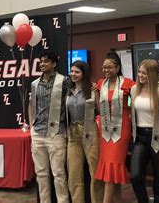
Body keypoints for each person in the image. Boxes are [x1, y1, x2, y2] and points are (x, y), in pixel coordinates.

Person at [29, 51, 70, 203]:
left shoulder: (64, 81)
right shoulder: (35, 84)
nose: (42, 64)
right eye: (41, 61)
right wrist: (32, 125)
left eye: (46, 61)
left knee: (59, 174)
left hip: (56, 134)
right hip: (38, 133)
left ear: (54, 64)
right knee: (41, 174)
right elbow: (31, 105)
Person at [95, 52, 135, 203]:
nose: (105, 70)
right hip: (105, 130)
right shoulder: (100, 84)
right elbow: (99, 108)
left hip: (121, 128)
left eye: (109, 67)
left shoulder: (128, 84)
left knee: (114, 164)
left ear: (117, 68)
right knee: (112, 170)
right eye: (104, 67)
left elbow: (134, 103)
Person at [66, 61, 104, 203]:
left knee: (95, 172)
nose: (73, 74)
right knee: (74, 174)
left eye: (77, 72)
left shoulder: (92, 90)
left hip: (90, 130)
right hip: (72, 133)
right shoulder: (68, 90)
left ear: (84, 74)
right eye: (72, 71)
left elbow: (100, 111)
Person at [130, 59, 159, 203]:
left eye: (143, 73)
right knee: (135, 175)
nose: (140, 75)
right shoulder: (134, 90)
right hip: (140, 136)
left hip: (157, 135)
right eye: (139, 72)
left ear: (151, 74)